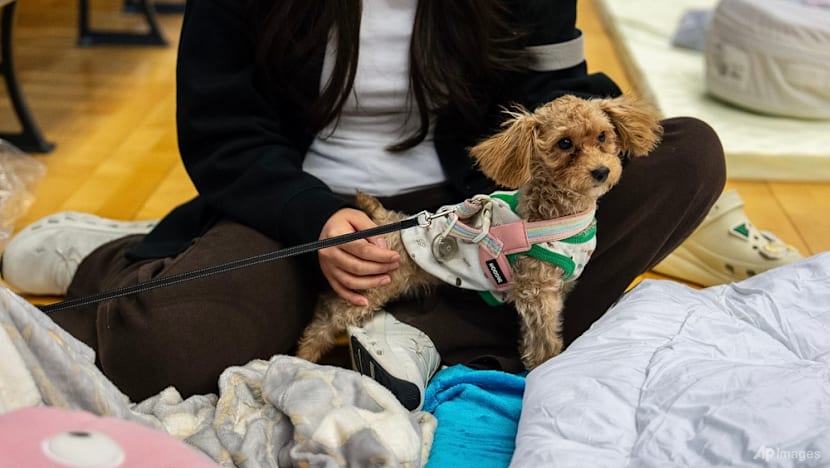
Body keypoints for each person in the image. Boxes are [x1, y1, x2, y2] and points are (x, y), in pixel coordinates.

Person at [1, 0, 725, 410]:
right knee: (158, 352)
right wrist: (313, 219)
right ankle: (119, 250)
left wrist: (596, 135)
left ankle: (414, 328)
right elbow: (223, 132)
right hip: (304, 205)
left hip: (475, 213)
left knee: (689, 155)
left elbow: (550, 96)